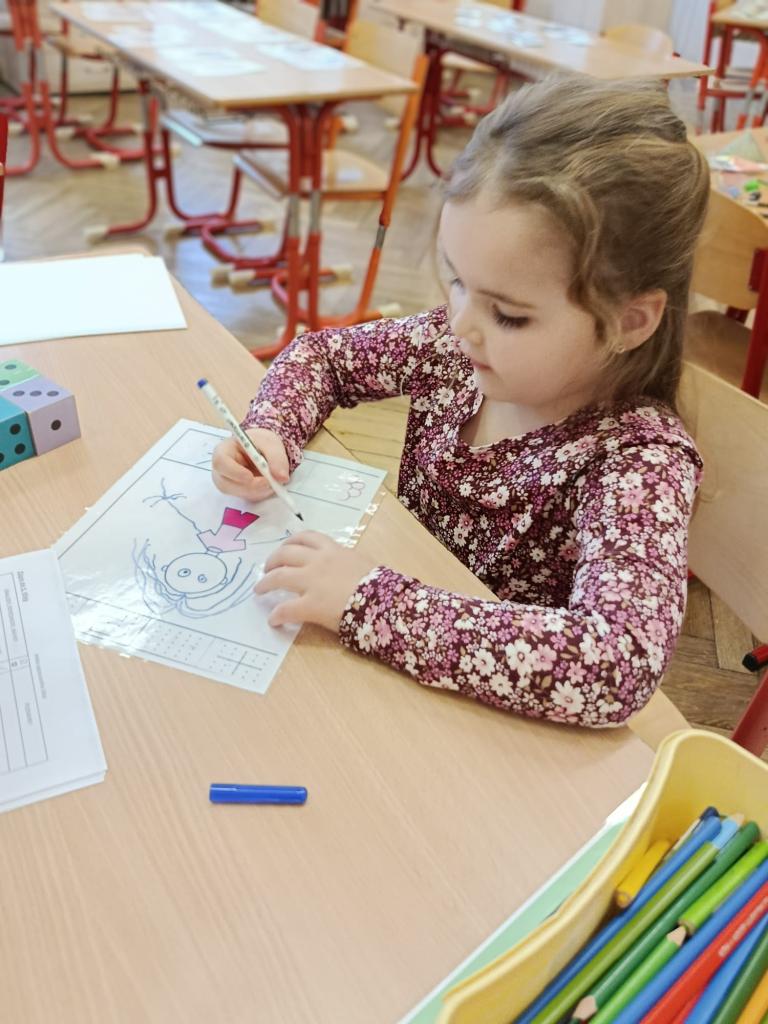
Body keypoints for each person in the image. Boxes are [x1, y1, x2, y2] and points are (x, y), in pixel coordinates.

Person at [211, 75, 710, 727]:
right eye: (456, 280)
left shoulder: (639, 461)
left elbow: (615, 665)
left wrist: (367, 600)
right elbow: (323, 358)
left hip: (490, 729)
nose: (462, 322)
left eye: (508, 314)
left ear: (628, 322)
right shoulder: (457, 346)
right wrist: (272, 430)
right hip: (388, 676)